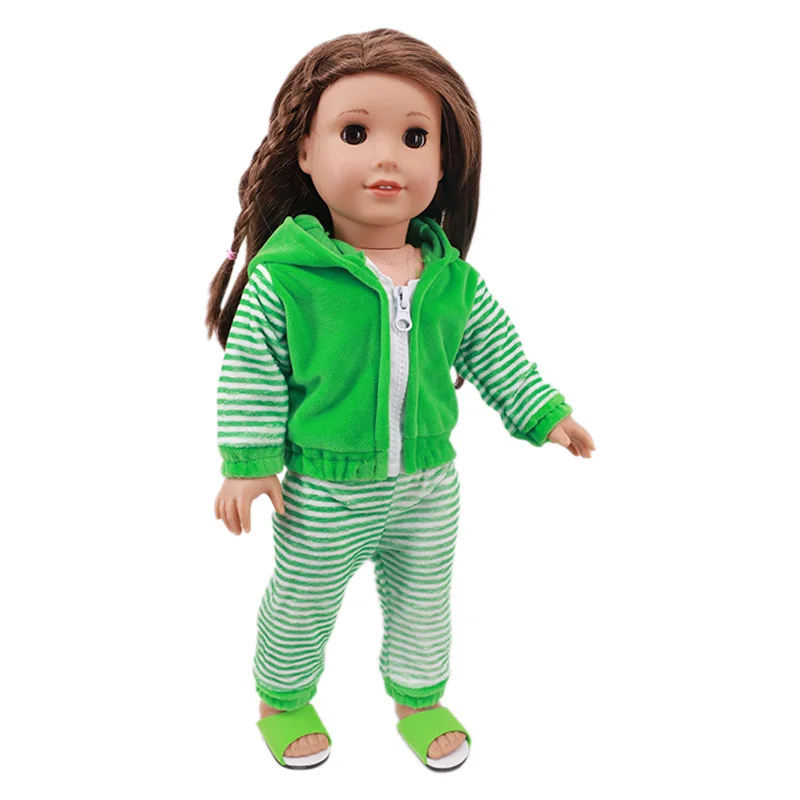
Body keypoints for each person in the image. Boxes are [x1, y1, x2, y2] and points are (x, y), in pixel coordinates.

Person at [206, 28, 596, 772]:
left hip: (428, 484)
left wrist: (543, 413)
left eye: (415, 137)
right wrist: (248, 463)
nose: (387, 157)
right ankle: (282, 699)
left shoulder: (451, 279)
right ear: (305, 150)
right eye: (355, 133)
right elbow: (252, 372)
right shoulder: (287, 278)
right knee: (303, 599)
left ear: (444, 162)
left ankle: (419, 698)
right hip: (325, 487)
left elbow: (495, 353)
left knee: (425, 599)